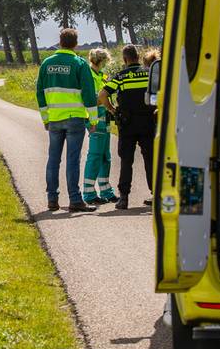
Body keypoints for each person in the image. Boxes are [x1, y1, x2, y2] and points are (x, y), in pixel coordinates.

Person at [37, 28, 99, 212]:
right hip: (75, 119)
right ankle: (74, 200)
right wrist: (93, 120)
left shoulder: (46, 64)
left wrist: (45, 118)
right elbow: (89, 94)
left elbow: (40, 93)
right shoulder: (79, 64)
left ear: (60, 41)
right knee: (72, 160)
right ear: (75, 43)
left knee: (53, 159)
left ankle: (52, 199)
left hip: (54, 120)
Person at [104, 45, 156, 209]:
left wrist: (112, 109)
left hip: (127, 125)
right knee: (150, 159)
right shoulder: (149, 74)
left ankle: (124, 198)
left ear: (125, 59)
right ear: (138, 57)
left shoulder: (121, 76)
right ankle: (156, 194)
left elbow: (102, 94)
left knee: (126, 161)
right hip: (148, 123)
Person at [81, 48, 117, 205]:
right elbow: (90, 100)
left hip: (105, 119)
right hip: (95, 119)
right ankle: (88, 193)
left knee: (105, 156)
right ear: (101, 61)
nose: (105, 65)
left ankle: (106, 191)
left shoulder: (101, 76)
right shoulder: (89, 75)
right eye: (105, 62)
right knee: (95, 155)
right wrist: (104, 100)